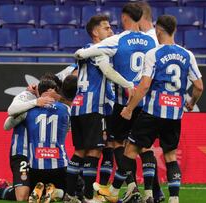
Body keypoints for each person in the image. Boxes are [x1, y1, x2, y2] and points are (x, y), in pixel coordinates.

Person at [101, 15, 204, 203]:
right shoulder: (187, 55)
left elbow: (145, 85)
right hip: (174, 115)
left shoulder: (154, 54)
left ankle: (114, 192)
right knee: (170, 156)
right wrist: (190, 103)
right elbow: (199, 86)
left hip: (153, 113)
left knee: (130, 150)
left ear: (158, 30)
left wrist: (130, 108)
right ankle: (174, 199)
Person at [75, 3, 157, 202]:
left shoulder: (117, 40)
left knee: (117, 144)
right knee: (144, 147)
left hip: (124, 103)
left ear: (124, 18)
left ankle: (129, 187)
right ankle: (152, 192)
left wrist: (83, 54)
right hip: (146, 103)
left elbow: (82, 53)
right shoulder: (152, 41)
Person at [65, 15, 135, 203]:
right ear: (95, 32)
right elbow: (107, 71)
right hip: (92, 107)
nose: (111, 31)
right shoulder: (98, 52)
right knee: (94, 152)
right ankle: (88, 196)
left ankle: (70, 195)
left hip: (78, 107)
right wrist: (128, 84)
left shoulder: (86, 51)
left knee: (80, 152)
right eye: (106, 28)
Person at [0, 74, 59, 201]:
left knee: (41, 191)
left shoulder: (55, 104)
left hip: (41, 155)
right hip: (21, 152)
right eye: (48, 91)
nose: (51, 95)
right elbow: (9, 118)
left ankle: (8, 185)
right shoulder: (27, 95)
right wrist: (35, 102)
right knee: (22, 196)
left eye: (54, 92)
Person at [5, 75, 78, 203]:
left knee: (27, 192)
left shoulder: (30, 109)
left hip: (35, 163)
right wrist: (34, 101)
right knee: (75, 189)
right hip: (30, 155)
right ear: (52, 90)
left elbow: (7, 125)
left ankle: (45, 191)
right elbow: (8, 121)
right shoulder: (65, 108)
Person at [136, 1, 165, 202]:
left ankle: (144, 192)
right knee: (142, 146)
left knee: (129, 146)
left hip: (141, 98)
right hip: (155, 102)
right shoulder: (158, 39)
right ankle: (156, 191)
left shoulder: (145, 41)